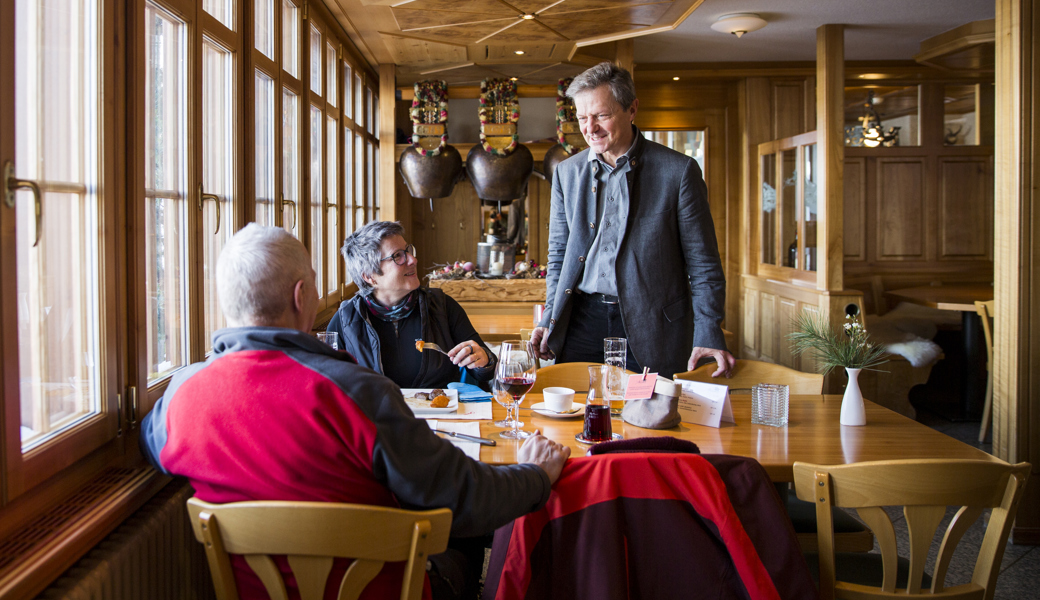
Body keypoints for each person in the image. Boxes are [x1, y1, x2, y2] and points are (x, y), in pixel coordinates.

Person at [140, 224, 570, 600]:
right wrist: (535, 476)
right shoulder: (356, 393)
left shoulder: (180, 396)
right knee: (470, 542)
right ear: (301, 294)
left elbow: (151, 441)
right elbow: (466, 497)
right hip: (383, 588)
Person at [530, 62, 736, 380]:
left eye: (601, 115)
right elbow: (559, 256)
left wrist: (708, 329)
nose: (590, 128)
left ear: (632, 108)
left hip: (652, 325)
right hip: (581, 320)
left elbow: (703, 264)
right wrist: (550, 318)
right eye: (583, 118)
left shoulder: (678, 172)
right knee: (581, 418)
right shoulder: (566, 173)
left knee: (648, 419)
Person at [326, 221, 496, 389]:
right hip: (375, 416)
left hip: (440, 413)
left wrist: (484, 359)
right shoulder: (345, 321)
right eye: (397, 256)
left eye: (408, 250)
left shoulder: (442, 307)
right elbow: (329, 386)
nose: (413, 259)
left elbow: (485, 370)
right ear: (369, 276)